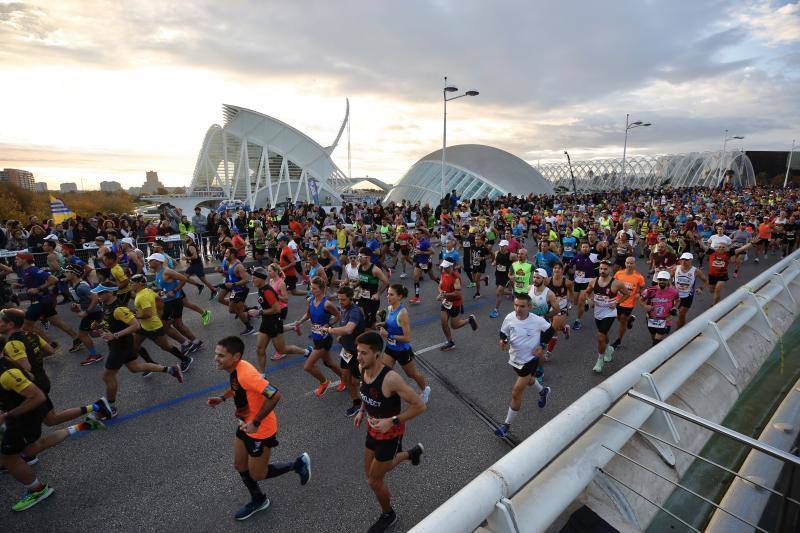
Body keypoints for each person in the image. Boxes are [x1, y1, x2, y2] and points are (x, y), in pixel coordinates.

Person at [207, 336, 311, 521]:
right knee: (240, 465)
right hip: (245, 425)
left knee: (258, 473)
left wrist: (256, 422)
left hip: (260, 430)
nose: (216, 358)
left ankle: (298, 464)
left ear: (236, 356)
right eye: (216, 354)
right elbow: (237, 387)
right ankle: (259, 499)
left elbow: (275, 395)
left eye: (221, 356)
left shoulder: (246, 374)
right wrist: (223, 398)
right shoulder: (236, 369)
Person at [0, 356, 106, 512]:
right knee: (31, 449)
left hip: (21, 420)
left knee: (10, 459)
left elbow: (37, 396)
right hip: (26, 416)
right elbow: (30, 376)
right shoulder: (7, 361)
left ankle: (37, 490)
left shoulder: (6, 372)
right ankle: (84, 424)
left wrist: (8, 415)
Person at [354, 331, 426, 533]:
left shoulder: (391, 378)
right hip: (372, 430)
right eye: (357, 352)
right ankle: (411, 454)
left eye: (364, 353)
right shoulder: (362, 367)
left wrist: (392, 421)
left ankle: (389, 515)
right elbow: (365, 392)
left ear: (377, 354)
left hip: (390, 435)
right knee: (370, 472)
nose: (358, 357)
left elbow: (419, 406)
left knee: (374, 480)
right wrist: (361, 411)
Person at [90, 282, 183, 419]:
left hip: (120, 346)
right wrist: (98, 326)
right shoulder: (106, 306)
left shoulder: (119, 309)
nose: (98, 296)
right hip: (119, 344)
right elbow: (111, 323)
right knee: (135, 367)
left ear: (110, 293)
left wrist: (114, 335)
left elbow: (136, 325)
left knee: (108, 376)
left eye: (101, 293)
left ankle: (111, 407)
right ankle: (171, 370)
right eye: (98, 293)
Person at [494, 293, 553, 438]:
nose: (518, 309)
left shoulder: (537, 320)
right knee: (529, 380)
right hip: (515, 359)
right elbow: (503, 332)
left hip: (530, 360)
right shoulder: (510, 317)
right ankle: (543, 391)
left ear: (529, 307)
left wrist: (542, 345)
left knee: (516, 392)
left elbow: (550, 330)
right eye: (516, 305)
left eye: (522, 306)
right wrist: (503, 341)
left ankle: (506, 426)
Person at [13, 251, 81, 351]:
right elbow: (33, 284)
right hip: (43, 301)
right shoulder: (26, 271)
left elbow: (53, 279)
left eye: (17, 259)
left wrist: (38, 289)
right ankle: (76, 338)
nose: (15, 260)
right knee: (57, 322)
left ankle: (50, 344)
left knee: (26, 325)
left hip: (39, 301)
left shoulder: (33, 270)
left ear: (24, 260)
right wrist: (21, 286)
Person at [248, 267, 310, 373]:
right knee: (259, 349)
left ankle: (306, 351)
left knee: (282, 350)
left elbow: (277, 309)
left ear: (261, 279)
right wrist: (258, 310)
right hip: (266, 321)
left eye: (254, 278)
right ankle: (262, 375)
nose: (251, 280)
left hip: (274, 322)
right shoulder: (261, 288)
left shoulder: (267, 291)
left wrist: (259, 312)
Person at [129, 274, 193, 374]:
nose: (130, 284)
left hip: (153, 327)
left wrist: (133, 315)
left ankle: (185, 359)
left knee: (165, 346)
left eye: (132, 283)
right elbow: (158, 298)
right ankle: (151, 365)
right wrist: (160, 312)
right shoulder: (148, 290)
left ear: (139, 284)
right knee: (134, 345)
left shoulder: (142, 296)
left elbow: (148, 313)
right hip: (143, 326)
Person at [378, 284, 431, 403]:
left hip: (402, 350)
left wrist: (389, 335)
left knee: (412, 374)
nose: (388, 296)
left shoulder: (402, 313)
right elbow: (391, 325)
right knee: (385, 372)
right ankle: (388, 396)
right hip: (390, 348)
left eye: (391, 294)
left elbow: (407, 338)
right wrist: (383, 325)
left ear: (399, 296)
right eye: (387, 294)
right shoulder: (390, 308)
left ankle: (425, 390)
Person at [293, 277, 343, 397]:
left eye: (314, 288)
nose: (311, 289)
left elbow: (337, 316)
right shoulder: (310, 300)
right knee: (328, 362)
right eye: (311, 287)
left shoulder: (327, 304)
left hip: (324, 339)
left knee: (308, 366)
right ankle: (345, 378)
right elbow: (308, 314)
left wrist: (328, 324)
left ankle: (324, 382)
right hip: (316, 337)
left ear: (321, 289)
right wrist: (299, 322)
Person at [147, 252, 205, 352]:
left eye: (150, 260)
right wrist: (155, 290)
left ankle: (186, 343)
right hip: (168, 301)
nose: (148, 262)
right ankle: (195, 342)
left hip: (173, 302)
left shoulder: (167, 271)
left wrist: (175, 291)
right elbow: (164, 287)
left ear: (157, 261)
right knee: (177, 325)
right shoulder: (157, 271)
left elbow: (184, 278)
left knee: (166, 326)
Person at [323, 285, 366, 417]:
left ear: (351, 299)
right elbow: (344, 327)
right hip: (346, 350)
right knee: (345, 378)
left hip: (357, 352)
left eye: (343, 300)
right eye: (339, 299)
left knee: (355, 382)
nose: (340, 302)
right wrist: (341, 336)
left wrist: (331, 330)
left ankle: (371, 391)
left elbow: (348, 329)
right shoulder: (343, 308)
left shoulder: (354, 311)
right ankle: (357, 403)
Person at [583, 260, 629, 374]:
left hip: (610, 312)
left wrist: (617, 303)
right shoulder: (594, 281)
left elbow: (627, 294)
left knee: (600, 336)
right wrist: (589, 300)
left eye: (605, 269)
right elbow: (587, 292)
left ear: (610, 270)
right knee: (603, 335)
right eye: (601, 269)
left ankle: (600, 360)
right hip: (598, 312)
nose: (603, 271)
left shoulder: (616, 283)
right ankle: (609, 349)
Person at [64, 264, 104, 366]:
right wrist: (76, 307)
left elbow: (95, 298)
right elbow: (83, 300)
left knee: (82, 335)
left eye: (67, 272)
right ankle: (115, 332)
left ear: (74, 274)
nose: (65, 273)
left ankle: (95, 355)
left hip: (93, 313)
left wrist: (86, 312)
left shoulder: (81, 286)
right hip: (92, 312)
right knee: (93, 334)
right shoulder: (74, 285)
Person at [437, 259, 478, 351]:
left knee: (454, 326)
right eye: (443, 266)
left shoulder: (455, 278)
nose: (444, 268)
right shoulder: (443, 273)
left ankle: (470, 320)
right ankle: (450, 342)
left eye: (446, 267)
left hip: (455, 303)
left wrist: (444, 295)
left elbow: (458, 294)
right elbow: (440, 286)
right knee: (443, 323)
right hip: (445, 302)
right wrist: (441, 293)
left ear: (451, 266)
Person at [701, 238, 753, 305]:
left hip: (722, 276)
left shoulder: (728, 253)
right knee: (712, 290)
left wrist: (751, 243)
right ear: (717, 247)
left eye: (723, 247)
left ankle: (714, 305)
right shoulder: (712, 252)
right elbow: (703, 246)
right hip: (712, 275)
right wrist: (700, 240)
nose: (721, 248)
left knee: (717, 290)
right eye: (719, 247)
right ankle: (717, 298)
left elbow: (742, 248)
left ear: (726, 248)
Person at [610, 256, 646, 348]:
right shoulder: (619, 273)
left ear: (634, 264)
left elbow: (642, 287)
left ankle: (619, 340)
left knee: (622, 320)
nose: (629, 265)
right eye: (627, 263)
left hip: (629, 302)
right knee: (618, 318)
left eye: (631, 263)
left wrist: (638, 293)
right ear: (625, 263)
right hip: (618, 301)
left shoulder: (639, 277)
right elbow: (614, 284)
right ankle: (630, 319)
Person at [640, 271, 681, 345]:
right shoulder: (650, 290)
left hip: (665, 320)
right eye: (660, 279)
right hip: (651, 318)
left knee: (656, 342)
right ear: (657, 279)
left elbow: (677, 300)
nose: (662, 281)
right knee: (653, 337)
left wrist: (674, 307)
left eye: (664, 280)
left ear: (669, 280)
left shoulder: (674, 292)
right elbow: (641, 300)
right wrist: (645, 306)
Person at [356, 247, 390, 329]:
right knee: (361, 314)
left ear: (368, 258)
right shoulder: (359, 266)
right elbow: (361, 279)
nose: (358, 259)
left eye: (361, 257)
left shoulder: (375, 270)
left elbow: (386, 282)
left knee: (368, 324)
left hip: (372, 299)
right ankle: (380, 314)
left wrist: (378, 294)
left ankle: (382, 325)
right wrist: (354, 285)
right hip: (361, 294)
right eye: (358, 256)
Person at [674, 252, 709, 329]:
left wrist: (701, 288)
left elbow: (706, 281)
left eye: (686, 260)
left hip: (687, 295)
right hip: (675, 295)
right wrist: (670, 287)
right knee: (668, 313)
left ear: (691, 261)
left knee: (681, 314)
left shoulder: (695, 271)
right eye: (682, 259)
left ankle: (679, 330)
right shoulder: (675, 268)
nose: (683, 261)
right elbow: (667, 278)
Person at [570, 242, 597, 331]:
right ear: (581, 248)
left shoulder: (594, 256)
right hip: (577, 281)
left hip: (588, 282)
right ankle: (587, 302)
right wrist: (570, 274)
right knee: (575, 301)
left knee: (580, 302)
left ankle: (578, 320)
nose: (585, 248)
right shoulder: (577, 256)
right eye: (583, 247)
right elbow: (570, 266)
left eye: (586, 247)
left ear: (589, 248)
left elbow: (605, 257)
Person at [183, 232, 217, 301]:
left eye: (187, 237)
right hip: (193, 265)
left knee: (204, 280)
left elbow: (195, 256)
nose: (185, 238)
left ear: (190, 238)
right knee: (184, 278)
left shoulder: (191, 246)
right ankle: (199, 286)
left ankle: (214, 291)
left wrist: (186, 258)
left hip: (197, 265)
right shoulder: (191, 245)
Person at [490, 239, 513, 318]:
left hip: (505, 276)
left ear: (507, 247)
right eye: (500, 246)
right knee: (500, 292)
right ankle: (512, 293)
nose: (500, 247)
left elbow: (516, 264)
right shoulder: (497, 253)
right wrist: (493, 263)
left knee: (498, 292)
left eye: (502, 246)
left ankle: (495, 310)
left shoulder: (511, 255)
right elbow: (496, 261)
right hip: (498, 275)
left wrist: (512, 272)